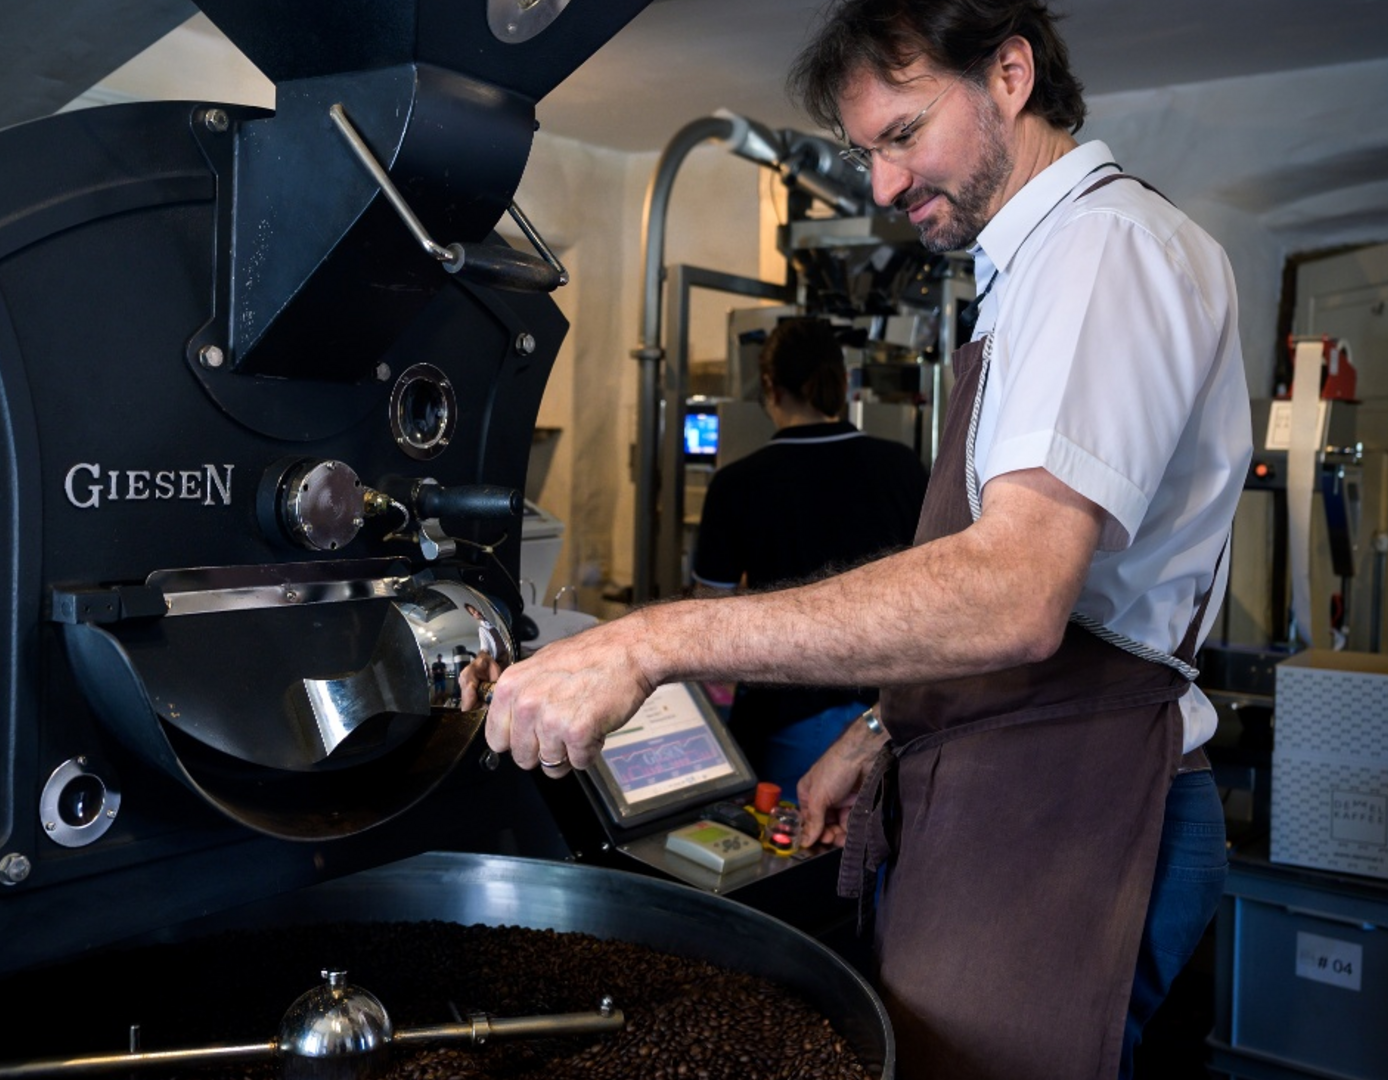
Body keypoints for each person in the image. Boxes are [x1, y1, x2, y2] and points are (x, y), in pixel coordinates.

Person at [464, 2, 1252, 1077]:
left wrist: (647, 641)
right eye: (863, 150)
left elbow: (1014, 591)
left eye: (903, 135)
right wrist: (879, 729)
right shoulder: (1036, 268)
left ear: (1010, 76)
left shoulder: (1097, 250)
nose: (883, 186)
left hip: (1076, 813)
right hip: (1026, 790)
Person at [690, 317, 927, 794]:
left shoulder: (739, 483)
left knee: (796, 855)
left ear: (770, 388)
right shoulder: (901, 465)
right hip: (894, 714)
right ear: (843, 382)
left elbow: (707, 614)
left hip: (787, 717)